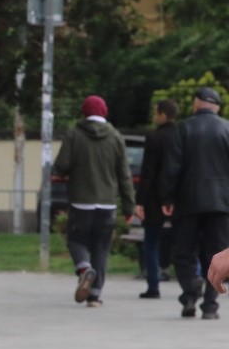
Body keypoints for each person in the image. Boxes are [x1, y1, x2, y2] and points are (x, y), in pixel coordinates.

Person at [52, 95, 136, 308]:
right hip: (107, 203)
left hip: (81, 201)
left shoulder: (74, 135)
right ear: (104, 112)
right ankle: (95, 295)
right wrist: (129, 207)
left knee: (76, 240)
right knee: (101, 247)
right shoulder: (116, 137)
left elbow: (62, 165)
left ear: (83, 112)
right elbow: (124, 175)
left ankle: (84, 268)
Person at [161, 87, 229, 320]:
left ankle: (190, 292)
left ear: (197, 103)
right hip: (221, 204)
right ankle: (210, 306)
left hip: (188, 201)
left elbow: (172, 167)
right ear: (217, 107)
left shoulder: (184, 128)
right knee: (217, 254)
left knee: (184, 253)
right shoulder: (227, 128)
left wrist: (167, 198)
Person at [135, 99, 179, 299]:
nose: (154, 116)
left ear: (163, 114)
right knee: (188, 241)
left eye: (155, 112)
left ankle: (153, 285)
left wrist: (140, 200)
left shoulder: (153, 137)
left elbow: (148, 172)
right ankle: (195, 279)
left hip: (154, 198)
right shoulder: (182, 135)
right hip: (179, 197)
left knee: (151, 242)